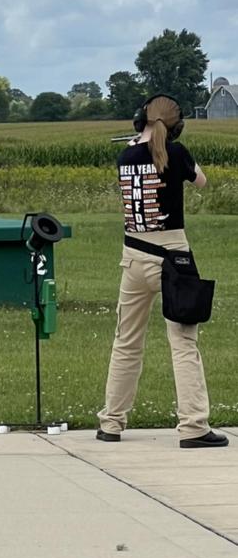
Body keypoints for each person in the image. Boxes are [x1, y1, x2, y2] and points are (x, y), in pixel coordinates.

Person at [97, 94, 228, 448]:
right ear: (174, 127)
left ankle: (111, 421)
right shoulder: (178, 154)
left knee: (126, 342)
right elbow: (200, 181)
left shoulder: (125, 156)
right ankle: (193, 426)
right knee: (184, 343)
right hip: (173, 257)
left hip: (133, 257)